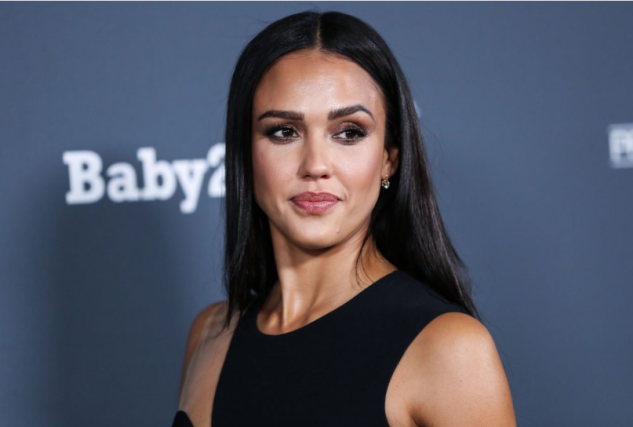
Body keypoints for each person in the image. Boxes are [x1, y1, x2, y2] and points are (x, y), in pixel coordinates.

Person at [173, 9, 517, 427]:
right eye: (283, 131)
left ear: (389, 158)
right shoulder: (210, 333)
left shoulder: (448, 349)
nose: (315, 165)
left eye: (349, 132)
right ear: (246, 155)